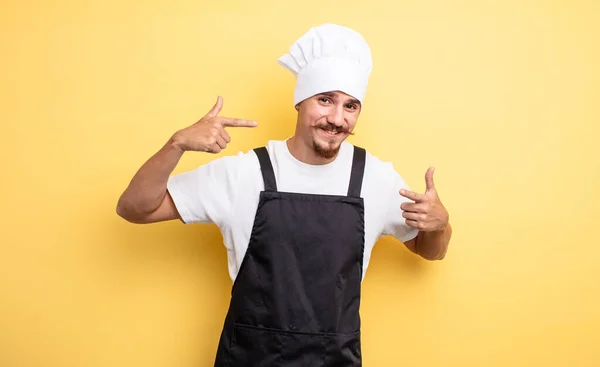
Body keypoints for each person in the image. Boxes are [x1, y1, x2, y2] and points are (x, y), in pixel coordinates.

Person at [117, 23, 452, 367]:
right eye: (325, 100)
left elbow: (430, 251)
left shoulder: (376, 179)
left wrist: (439, 225)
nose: (337, 118)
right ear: (300, 102)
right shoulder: (243, 174)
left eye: (350, 106)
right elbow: (134, 208)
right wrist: (176, 145)